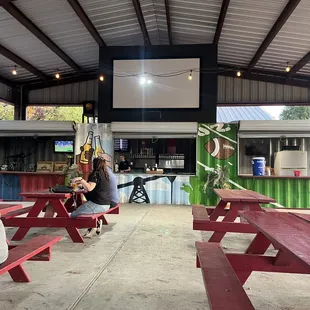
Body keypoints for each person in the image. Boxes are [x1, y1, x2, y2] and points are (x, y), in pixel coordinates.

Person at [71, 157, 111, 238]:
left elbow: (89, 188)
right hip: (106, 204)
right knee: (82, 210)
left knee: (74, 215)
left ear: (95, 164)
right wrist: (83, 185)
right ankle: (95, 224)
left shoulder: (95, 173)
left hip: (98, 204)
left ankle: (94, 224)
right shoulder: (105, 174)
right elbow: (95, 187)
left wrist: (81, 179)